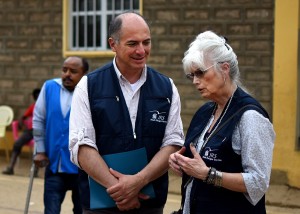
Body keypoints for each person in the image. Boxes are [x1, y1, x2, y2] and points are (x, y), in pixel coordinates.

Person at [69, 12, 184, 214]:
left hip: (149, 203)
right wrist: (120, 190)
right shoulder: (88, 86)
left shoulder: (166, 87)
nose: (141, 50)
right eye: (132, 44)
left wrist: (138, 182)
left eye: (146, 42)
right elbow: (81, 146)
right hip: (100, 204)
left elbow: (173, 143)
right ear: (113, 44)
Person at [168, 31, 275, 214]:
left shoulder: (250, 117)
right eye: (191, 75)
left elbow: (258, 182)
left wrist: (208, 174)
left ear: (224, 69)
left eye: (200, 73)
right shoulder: (204, 112)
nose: (195, 81)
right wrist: (183, 164)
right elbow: (199, 164)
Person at [33, 56, 89, 214]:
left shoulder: (90, 92)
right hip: (54, 165)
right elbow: (38, 120)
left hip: (82, 168)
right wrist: (41, 151)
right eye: (64, 70)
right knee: (51, 211)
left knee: (82, 211)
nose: (67, 74)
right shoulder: (49, 87)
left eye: (73, 71)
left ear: (84, 74)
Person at [2, 88, 40, 175]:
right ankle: (10, 168)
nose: (38, 97)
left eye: (39, 95)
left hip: (41, 131)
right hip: (30, 131)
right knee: (17, 143)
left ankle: (35, 171)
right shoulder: (33, 106)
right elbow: (22, 117)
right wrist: (21, 124)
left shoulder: (48, 106)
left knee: (39, 146)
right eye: (36, 96)